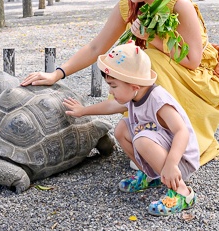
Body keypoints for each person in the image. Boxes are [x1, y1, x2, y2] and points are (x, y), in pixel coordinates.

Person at [22, 0, 219, 164]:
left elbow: (193, 60)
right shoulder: (128, 5)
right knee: (128, 62)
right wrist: (56, 74)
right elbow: (97, 47)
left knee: (146, 60)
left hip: (194, 79)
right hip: (159, 76)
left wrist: (151, 38)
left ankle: (177, 144)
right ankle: (150, 138)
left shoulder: (179, 4)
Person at [63, 43, 199, 216]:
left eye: (113, 86)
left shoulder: (158, 100)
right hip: (162, 152)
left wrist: (172, 164)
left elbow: (182, 131)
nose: (111, 91)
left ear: (135, 85)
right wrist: (83, 111)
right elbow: (112, 105)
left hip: (179, 161)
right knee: (122, 128)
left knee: (141, 139)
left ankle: (183, 192)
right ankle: (152, 175)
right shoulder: (135, 94)